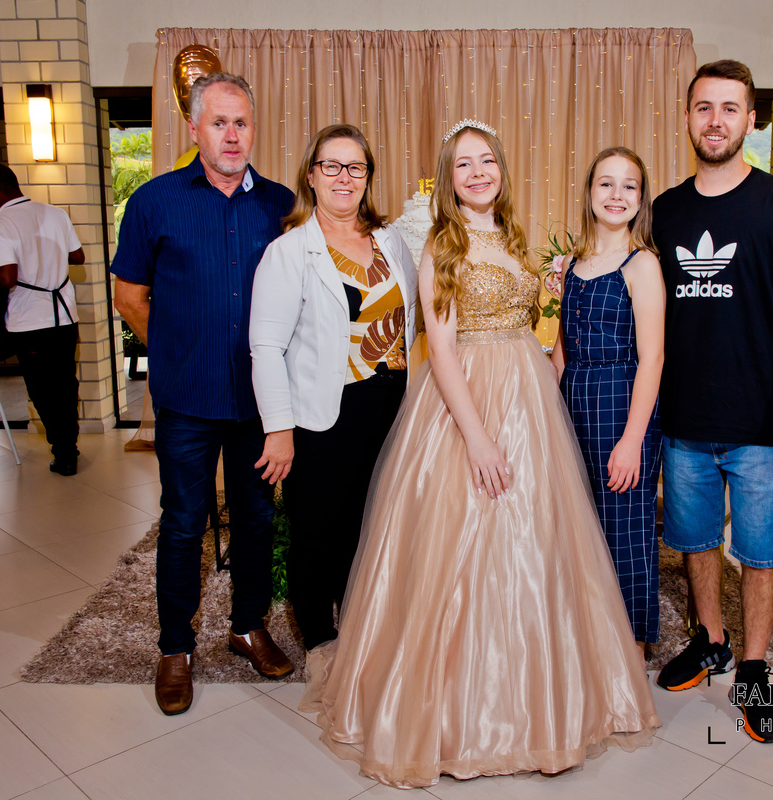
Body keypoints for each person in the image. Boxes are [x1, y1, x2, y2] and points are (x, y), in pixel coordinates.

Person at [300, 120, 660, 788]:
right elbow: (439, 347)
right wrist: (478, 436)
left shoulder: (518, 237)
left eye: (487, 160)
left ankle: (541, 699)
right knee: (460, 545)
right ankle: (457, 712)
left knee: (538, 548)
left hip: (530, 396)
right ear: (448, 177)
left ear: (501, 170)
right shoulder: (441, 244)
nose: (477, 173)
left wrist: (549, 371)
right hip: (464, 402)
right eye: (463, 164)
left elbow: (540, 324)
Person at [651, 60, 773, 744]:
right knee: (696, 542)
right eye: (704, 107)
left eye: (730, 109)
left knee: (761, 551)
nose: (715, 121)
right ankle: (711, 640)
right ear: (687, 117)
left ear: (751, 120)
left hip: (762, 418)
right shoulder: (665, 211)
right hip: (684, 418)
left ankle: (754, 670)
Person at [111, 72, 296, 716]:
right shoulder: (154, 201)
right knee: (184, 523)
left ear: (254, 128)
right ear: (194, 128)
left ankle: (247, 627)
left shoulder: (281, 205)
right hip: (186, 399)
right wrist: (175, 347)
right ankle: (175, 648)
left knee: (256, 518)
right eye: (219, 123)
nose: (232, 135)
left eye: (241, 122)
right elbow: (128, 296)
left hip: (259, 403)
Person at [249, 123, 418, 650]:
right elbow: (266, 348)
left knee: (370, 527)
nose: (344, 177)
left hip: (390, 408)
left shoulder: (392, 241)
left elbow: (414, 321)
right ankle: (322, 643)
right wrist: (278, 429)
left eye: (356, 167)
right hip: (324, 415)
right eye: (332, 166)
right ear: (311, 175)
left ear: (368, 177)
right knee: (318, 533)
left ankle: (363, 628)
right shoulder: (289, 251)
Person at [550, 147, 666, 653]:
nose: (617, 194)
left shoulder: (643, 265)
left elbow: (653, 357)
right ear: (590, 192)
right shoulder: (573, 264)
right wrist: (546, 409)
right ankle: (587, 641)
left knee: (624, 529)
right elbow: (561, 347)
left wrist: (632, 441)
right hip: (573, 398)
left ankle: (631, 650)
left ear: (641, 199)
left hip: (621, 402)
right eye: (606, 183)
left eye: (629, 185)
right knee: (578, 525)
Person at [0, 165, 84, 474]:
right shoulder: (56, 214)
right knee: (65, 384)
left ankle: (64, 453)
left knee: (42, 389)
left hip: (30, 320)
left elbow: (6, 277)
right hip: (65, 315)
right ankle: (69, 445)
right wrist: (44, 255)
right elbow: (77, 256)